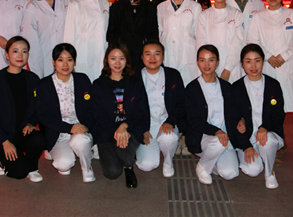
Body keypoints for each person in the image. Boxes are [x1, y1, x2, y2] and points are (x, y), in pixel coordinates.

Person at [0, 36, 45, 182]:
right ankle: (0, 159)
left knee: (39, 138)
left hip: (20, 133)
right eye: (15, 51)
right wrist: (5, 142)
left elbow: (38, 107)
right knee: (19, 172)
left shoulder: (33, 79)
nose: (20, 55)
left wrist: (31, 122)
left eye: (24, 51)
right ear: (7, 54)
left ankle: (32, 168)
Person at [91, 43, 149, 188]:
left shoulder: (135, 83)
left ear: (127, 60)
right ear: (107, 60)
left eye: (121, 58)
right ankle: (120, 155)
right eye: (113, 58)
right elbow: (98, 114)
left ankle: (129, 167)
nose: (117, 62)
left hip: (130, 129)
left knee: (126, 152)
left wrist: (124, 126)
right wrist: (116, 130)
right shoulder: (98, 85)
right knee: (112, 172)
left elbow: (140, 110)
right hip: (107, 132)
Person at [36, 43, 96, 182]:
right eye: (60, 60)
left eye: (69, 59)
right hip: (58, 132)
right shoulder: (44, 85)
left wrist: (85, 126)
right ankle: (77, 151)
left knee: (80, 141)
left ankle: (87, 169)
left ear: (74, 61)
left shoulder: (82, 79)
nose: (65, 64)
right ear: (53, 62)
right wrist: (69, 128)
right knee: (64, 165)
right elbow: (43, 115)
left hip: (81, 129)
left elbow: (92, 107)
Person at [229, 44, 285, 189]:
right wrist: (246, 146)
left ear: (263, 61)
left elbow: (279, 114)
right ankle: (263, 155)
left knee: (266, 141)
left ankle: (269, 173)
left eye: (257, 60)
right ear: (242, 64)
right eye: (248, 61)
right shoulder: (236, 88)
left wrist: (265, 127)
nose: (253, 66)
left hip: (269, 133)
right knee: (252, 170)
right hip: (247, 137)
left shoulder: (273, 85)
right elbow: (233, 119)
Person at [247, 0, 293, 112]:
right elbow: (253, 41)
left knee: (290, 100)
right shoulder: (258, 17)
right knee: (269, 101)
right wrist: (268, 56)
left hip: (288, 64)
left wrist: (284, 56)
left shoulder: (292, 14)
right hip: (268, 64)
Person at [185, 45, 239, 185]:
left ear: (217, 62)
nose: (206, 64)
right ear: (197, 62)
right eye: (202, 60)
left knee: (230, 173)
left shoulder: (226, 87)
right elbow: (193, 119)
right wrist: (216, 131)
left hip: (224, 137)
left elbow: (235, 112)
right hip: (203, 137)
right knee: (218, 142)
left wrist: (241, 121)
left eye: (211, 60)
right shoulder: (192, 88)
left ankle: (211, 160)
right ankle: (202, 166)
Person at [135, 41, 186, 178]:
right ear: (142, 57)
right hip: (147, 125)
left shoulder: (173, 75)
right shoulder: (134, 78)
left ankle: (168, 162)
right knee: (146, 165)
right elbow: (131, 109)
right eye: (148, 54)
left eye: (157, 54)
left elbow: (181, 103)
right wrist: (141, 129)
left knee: (168, 137)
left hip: (167, 121)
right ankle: (157, 146)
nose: (152, 58)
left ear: (163, 57)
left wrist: (171, 121)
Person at [22, 0, 71, 79]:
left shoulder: (66, 1)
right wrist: (37, 70)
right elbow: (31, 41)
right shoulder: (32, 6)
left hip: (66, 58)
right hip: (44, 58)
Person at [63, 0, 110, 82]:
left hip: (102, 56)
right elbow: (69, 35)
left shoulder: (105, 3)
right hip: (83, 56)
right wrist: (69, 60)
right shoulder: (75, 4)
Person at [107, 0, 158, 71]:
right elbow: (111, 36)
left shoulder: (149, 7)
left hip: (143, 58)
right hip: (122, 59)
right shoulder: (117, 7)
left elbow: (153, 35)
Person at [157, 0, 202, 85]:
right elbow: (160, 33)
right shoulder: (161, 8)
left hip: (188, 57)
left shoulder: (195, 7)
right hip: (169, 57)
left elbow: (199, 35)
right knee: (171, 88)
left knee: (189, 88)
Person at [196, 0, 244, 83]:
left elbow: (238, 42)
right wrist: (210, 68)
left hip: (232, 67)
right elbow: (202, 42)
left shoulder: (236, 14)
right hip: (210, 67)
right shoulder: (204, 16)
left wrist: (228, 69)